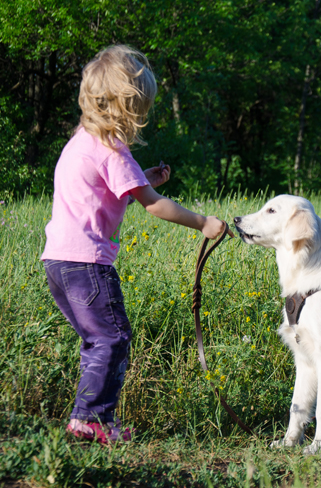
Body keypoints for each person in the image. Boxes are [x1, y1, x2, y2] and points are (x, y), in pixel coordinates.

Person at [41, 45, 226, 444]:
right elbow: (154, 206)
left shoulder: (81, 141)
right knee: (112, 338)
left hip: (58, 261)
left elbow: (110, 188)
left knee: (97, 339)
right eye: (140, 110)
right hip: (88, 263)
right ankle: (93, 421)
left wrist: (145, 178)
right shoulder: (113, 147)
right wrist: (204, 223)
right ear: (127, 106)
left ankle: (86, 420)